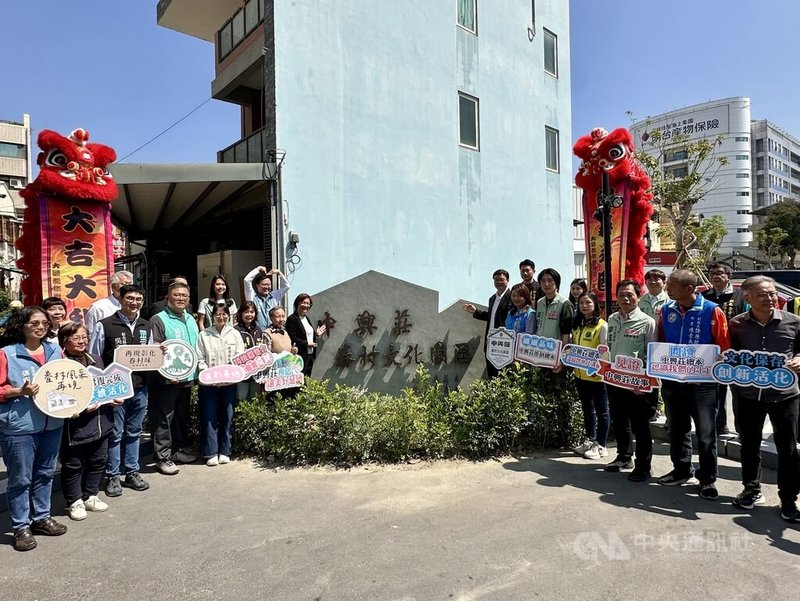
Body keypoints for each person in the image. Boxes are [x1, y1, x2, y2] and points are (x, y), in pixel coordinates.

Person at [728, 276, 800, 522]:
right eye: (762, 294)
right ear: (747, 298)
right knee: (749, 444)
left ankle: (789, 500)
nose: (770, 298)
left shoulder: (794, 323)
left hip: (785, 396)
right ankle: (751, 489)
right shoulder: (736, 325)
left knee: (788, 449)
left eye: (771, 293)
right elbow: (731, 354)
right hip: (748, 395)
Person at [656, 269, 730, 500]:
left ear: (689, 289)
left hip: (703, 385)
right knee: (677, 429)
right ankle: (681, 470)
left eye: (672, 286)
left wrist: (717, 362)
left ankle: (707, 479)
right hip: (672, 382)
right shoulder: (666, 310)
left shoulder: (712, 311)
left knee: (707, 433)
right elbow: (660, 343)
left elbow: (724, 347)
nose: (667, 289)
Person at [0, 306, 66, 551]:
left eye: (45, 323)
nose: (41, 327)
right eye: (35, 323)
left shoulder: (55, 350)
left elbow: (69, 380)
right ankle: (20, 526)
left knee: (45, 472)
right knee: (20, 478)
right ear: (21, 325)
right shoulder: (7, 353)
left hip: (53, 421)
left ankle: (41, 517)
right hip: (20, 425)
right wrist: (20, 391)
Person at [89, 284, 152, 496]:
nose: (134, 303)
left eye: (139, 299)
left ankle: (132, 471)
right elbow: (95, 358)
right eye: (130, 298)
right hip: (115, 390)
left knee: (134, 432)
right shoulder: (105, 325)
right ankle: (112, 475)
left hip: (140, 388)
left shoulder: (146, 326)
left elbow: (150, 355)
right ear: (120, 299)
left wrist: (159, 352)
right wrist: (103, 387)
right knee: (115, 434)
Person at [58, 321, 117, 521]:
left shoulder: (96, 359)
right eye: (76, 338)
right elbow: (58, 397)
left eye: (84, 337)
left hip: (101, 420)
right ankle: (74, 500)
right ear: (64, 342)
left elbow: (106, 385)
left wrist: (114, 398)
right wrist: (79, 408)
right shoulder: (60, 366)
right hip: (75, 425)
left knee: (99, 459)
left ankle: (91, 495)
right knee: (73, 464)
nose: (82, 341)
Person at [602, 281, 658, 481]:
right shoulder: (612, 319)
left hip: (638, 385)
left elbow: (652, 356)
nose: (625, 299)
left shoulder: (647, 322)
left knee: (641, 426)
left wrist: (644, 382)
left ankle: (644, 466)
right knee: (619, 421)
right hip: (616, 380)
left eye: (629, 295)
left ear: (638, 296)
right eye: (621, 295)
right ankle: (624, 457)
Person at [148, 281, 200, 475]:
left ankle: (178, 450)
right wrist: (168, 374)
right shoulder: (158, 319)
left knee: (180, 416)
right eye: (177, 295)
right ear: (167, 298)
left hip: (186, 378)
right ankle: (162, 457)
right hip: (165, 380)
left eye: (184, 296)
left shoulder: (190, 319)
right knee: (163, 418)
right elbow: (154, 351)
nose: (181, 298)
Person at [702, 261, 747, 436]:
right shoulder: (704, 296)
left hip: (735, 352)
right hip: (710, 353)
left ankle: (743, 431)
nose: (715, 276)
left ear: (729, 276)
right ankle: (718, 426)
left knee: (739, 393)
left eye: (719, 273)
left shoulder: (740, 296)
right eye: (711, 273)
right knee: (715, 392)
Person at [196, 303, 244, 467]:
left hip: (229, 382)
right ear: (212, 316)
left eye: (224, 314)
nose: (221, 317)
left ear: (228, 316)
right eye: (218, 314)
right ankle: (210, 452)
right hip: (208, 383)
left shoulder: (235, 334)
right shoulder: (204, 335)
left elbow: (239, 356)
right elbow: (200, 358)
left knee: (228, 415)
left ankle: (225, 451)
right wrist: (207, 373)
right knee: (209, 417)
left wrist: (232, 371)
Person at [571, 292, 610, 460]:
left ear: (595, 305)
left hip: (597, 377)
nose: (584, 306)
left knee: (602, 411)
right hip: (580, 375)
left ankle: (601, 445)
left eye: (588, 302)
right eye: (581, 303)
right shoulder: (577, 325)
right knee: (588, 410)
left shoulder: (602, 325)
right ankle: (590, 439)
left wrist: (602, 372)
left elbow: (605, 352)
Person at [462, 269, 513, 379]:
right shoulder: (492, 299)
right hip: (491, 344)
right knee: (492, 376)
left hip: (505, 345)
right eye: (496, 280)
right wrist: (476, 311)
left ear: (507, 280)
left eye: (501, 279)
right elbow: (491, 316)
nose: (499, 282)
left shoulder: (512, 297)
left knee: (505, 377)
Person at [535, 268, 574, 373]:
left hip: (555, 356)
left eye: (550, 280)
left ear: (557, 282)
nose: (546, 284)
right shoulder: (539, 303)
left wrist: (562, 358)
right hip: (540, 353)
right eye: (542, 281)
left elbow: (567, 333)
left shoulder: (564, 303)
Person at [286, 293, 327, 377]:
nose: (306, 305)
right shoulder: (292, 319)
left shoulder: (306, 318)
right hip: (299, 354)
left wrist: (316, 334)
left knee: (307, 379)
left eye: (308, 303)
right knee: (298, 378)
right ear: (298, 303)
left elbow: (305, 335)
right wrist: (306, 344)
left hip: (310, 354)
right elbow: (292, 337)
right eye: (303, 302)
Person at [234, 300, 268, 401]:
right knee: (242, 398)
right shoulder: (235, 330)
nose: (249, 315)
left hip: (256, 372)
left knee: (255, 399)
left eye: (252, 312)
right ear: (241, 314)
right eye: (246, 312)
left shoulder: (258, 329)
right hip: (242, 373)